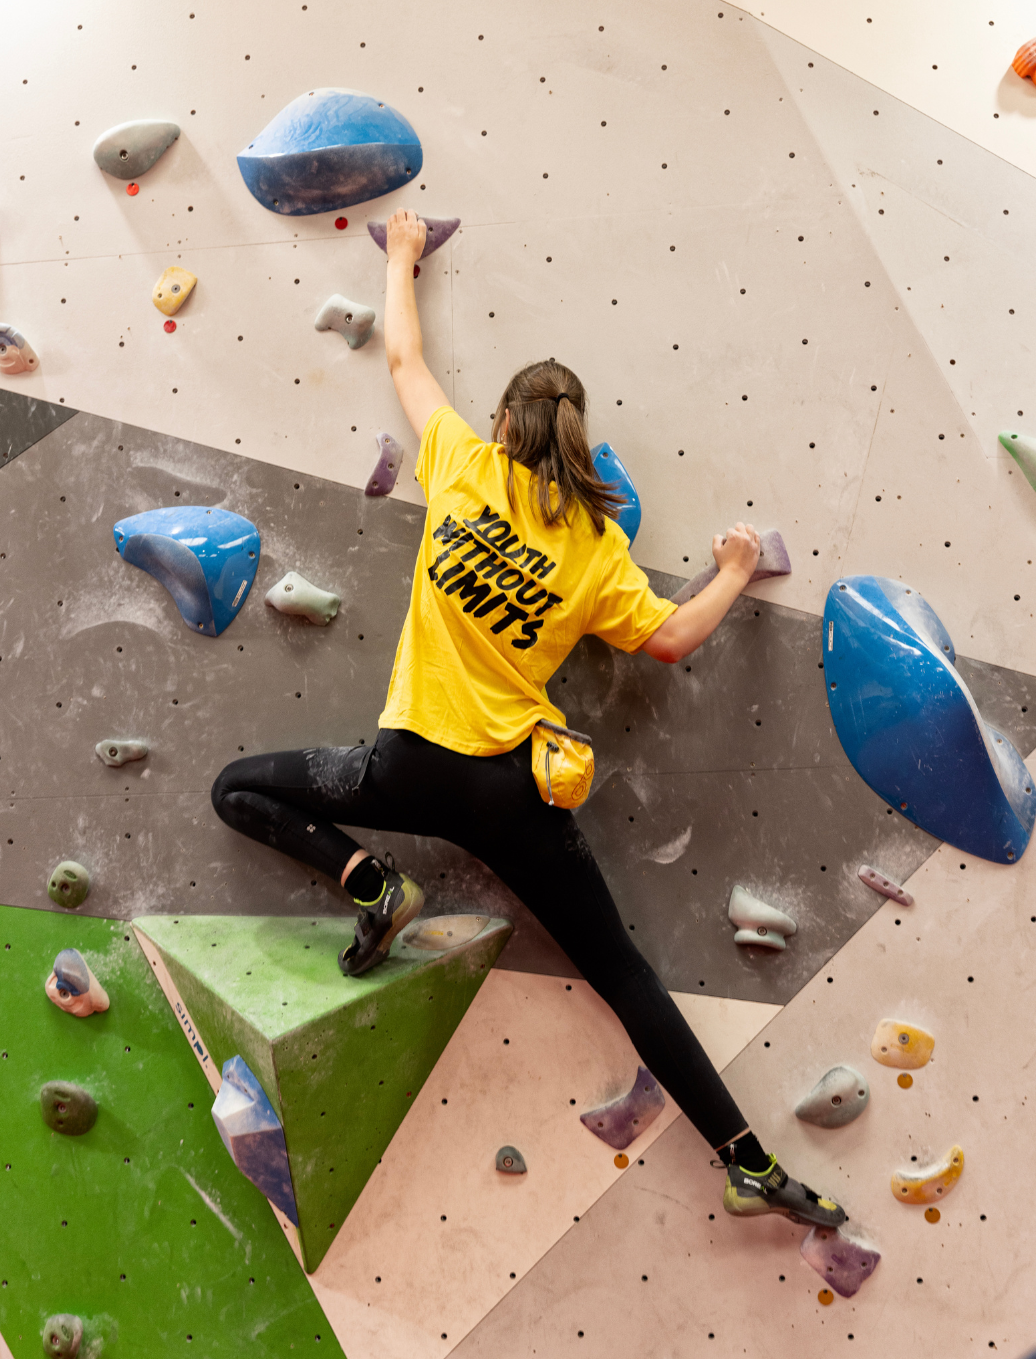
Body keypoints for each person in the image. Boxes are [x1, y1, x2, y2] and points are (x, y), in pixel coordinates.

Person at [211, 209, 846, 1229]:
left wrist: (407, 254)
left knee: (235, 788)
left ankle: (377, 886)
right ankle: (751, 1161)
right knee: (624, 973)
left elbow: (406, 356)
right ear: (576, 440)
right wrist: (732, 570)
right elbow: (673, 641)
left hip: (402, 770)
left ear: (505, 424)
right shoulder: (596, 548)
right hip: (513, 789)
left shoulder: (462, 465)